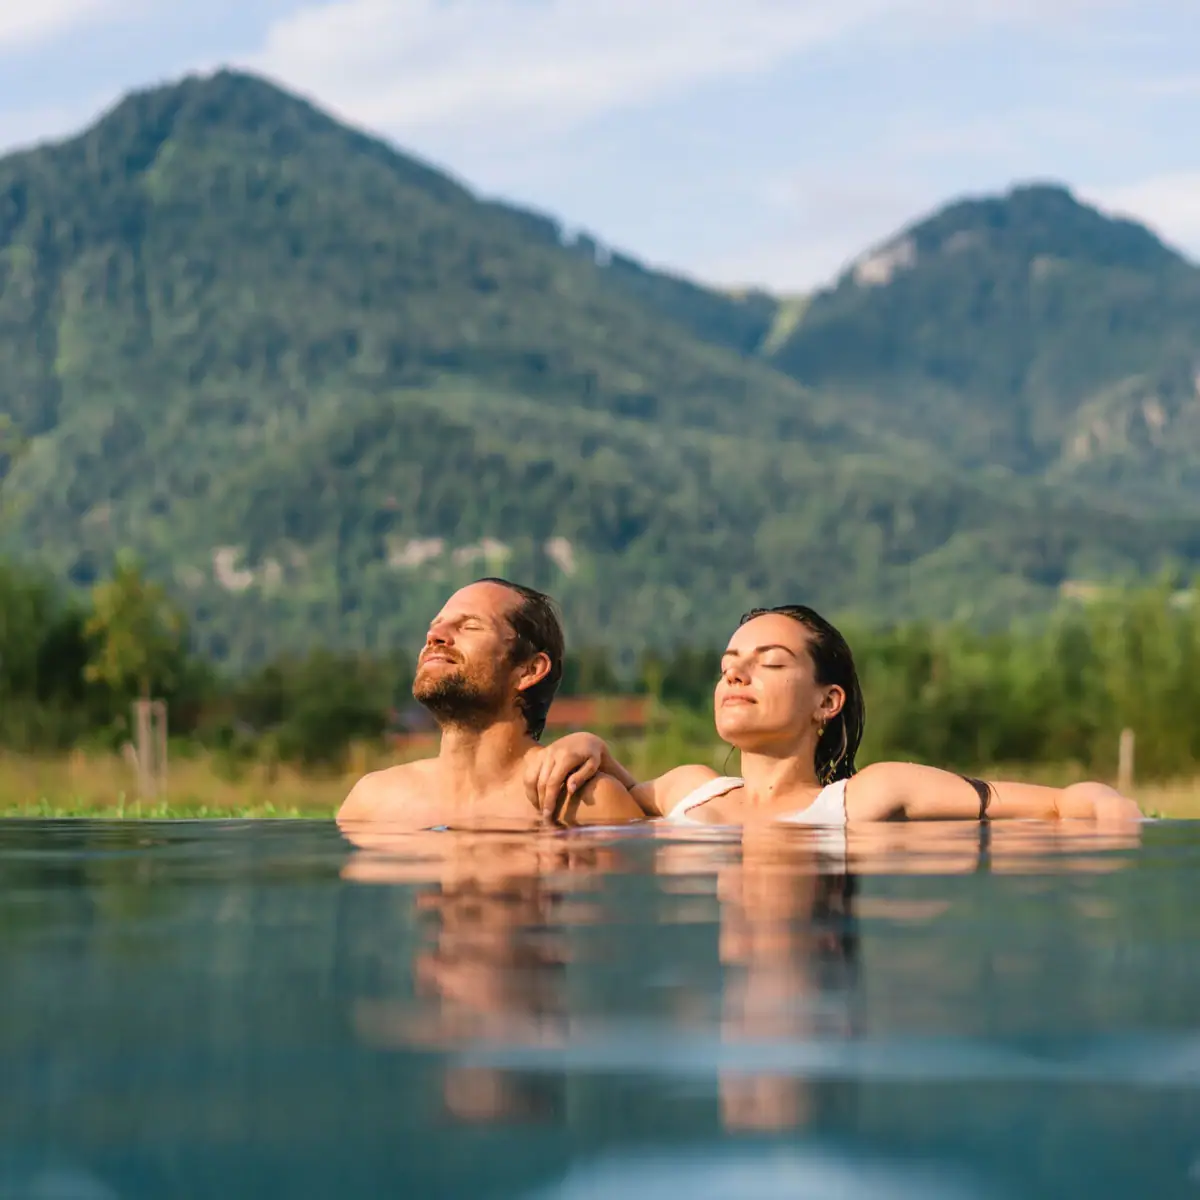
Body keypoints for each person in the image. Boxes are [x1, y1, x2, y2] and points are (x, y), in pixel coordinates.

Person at [528, 604, 1144, 828]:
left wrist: (1111, 812)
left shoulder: (867, 796)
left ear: (828, 702)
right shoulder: (690, 791)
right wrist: (588, 739)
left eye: (768, 662)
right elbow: (620, 789)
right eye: (727, 664)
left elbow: (1062, 803)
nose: (734, 675)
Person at [338, 578, 642, 831]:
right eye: (435, 626)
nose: (435, 636)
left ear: (529, 670)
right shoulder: (372, 802)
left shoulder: (585, 803)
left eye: (469, 626)